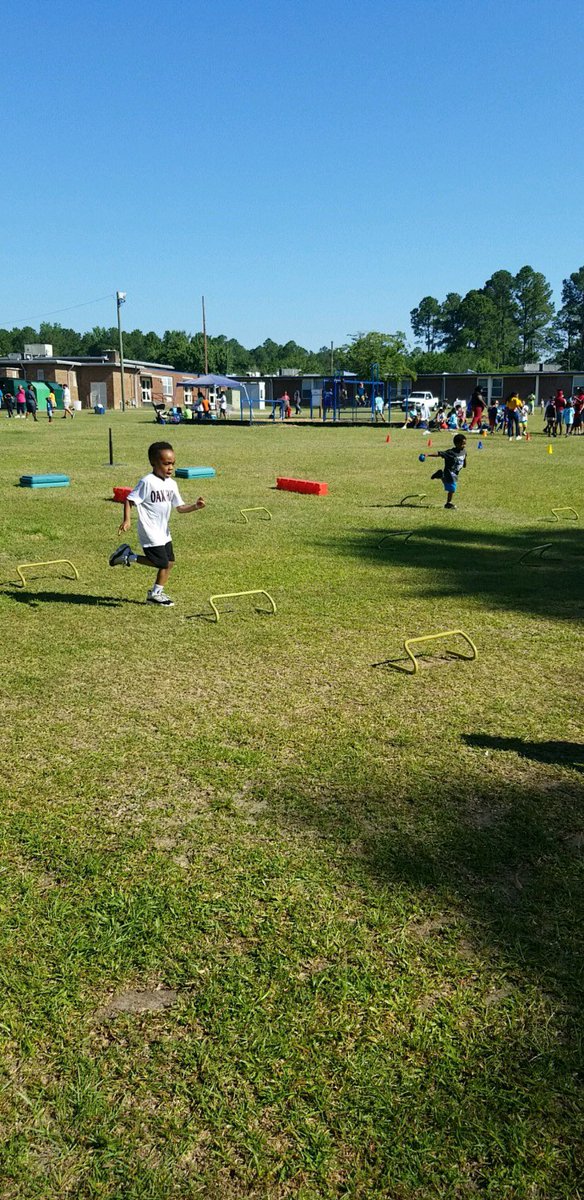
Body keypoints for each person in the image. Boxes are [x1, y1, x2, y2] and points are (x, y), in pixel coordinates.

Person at [109, 441, 205, 607]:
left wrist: (195, 506)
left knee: (170, 562)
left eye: (173, 464)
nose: (171, 468)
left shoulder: (172, 484)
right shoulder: (147, 482)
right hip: (150, 531)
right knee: (161, 562)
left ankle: (155, 594)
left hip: (164, 532)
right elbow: (129, 500)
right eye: (166, 463)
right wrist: (127, 520)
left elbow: (180, 508)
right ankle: (127, 556)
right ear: (154, 462)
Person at [427, 433, 467, 510]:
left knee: (449, 485)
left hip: (455, 473)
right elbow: (439, 453)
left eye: (465, 444)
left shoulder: (464, 451)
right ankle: (448, 503)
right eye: (462, 444)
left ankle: (440, 475)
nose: (464, 446)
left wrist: (465, 464)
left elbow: (465, 457)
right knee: (452, 488)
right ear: (457, 444)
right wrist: (427, 455)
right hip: (449, 472)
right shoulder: (451, 452)